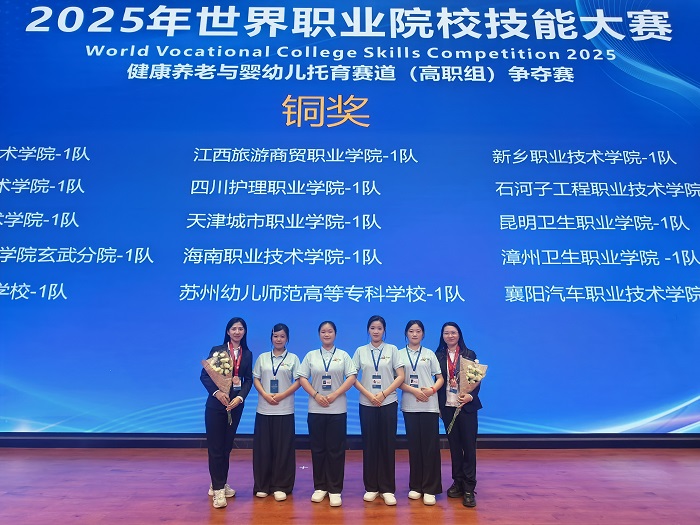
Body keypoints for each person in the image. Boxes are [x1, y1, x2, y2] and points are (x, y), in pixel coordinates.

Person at [297, 321, 357, 508]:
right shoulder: (311, 355)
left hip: (337, 408)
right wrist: (316, 395)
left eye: (330, 331)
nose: (327, 334)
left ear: (335, 334)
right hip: (315, 408)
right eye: (323, 331)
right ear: (319, 335)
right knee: (318, 448)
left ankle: (335, 489)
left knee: (336, 450)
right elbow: (302, 378)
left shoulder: (343, 355)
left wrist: (334, 394)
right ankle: (320, 487)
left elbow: (352, 377)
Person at [200, 317, 254, 509]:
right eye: (234, 328)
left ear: (244, 332)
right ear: (228, 331)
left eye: (240, 329)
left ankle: (219, 482)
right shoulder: (218, 351)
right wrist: (217, 393)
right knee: (216, 448)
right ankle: (218, 491)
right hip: (216, 406)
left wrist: (240, 398)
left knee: (226, 447)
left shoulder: (247, 354)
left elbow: (248, 380)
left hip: (235, 406)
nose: (237, 332)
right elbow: (205, 375)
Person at [352, 315, 405, 506]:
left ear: (384, 330)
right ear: (368, 330)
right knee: (370, 444)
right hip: (367, 403)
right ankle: (371, 487)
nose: (376, 331)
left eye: (379, 328)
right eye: (373, 328)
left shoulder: (392, 350)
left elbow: (400, 376)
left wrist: (383, 394)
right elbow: (352, 376)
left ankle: (387, 488)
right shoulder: (360, 351)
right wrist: (369, 394)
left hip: (388, 402)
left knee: (387, 444)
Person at [435, 321, 482, 508]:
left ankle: (469, 487)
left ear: (459, 334)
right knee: (454, 447)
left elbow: (476, 380)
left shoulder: (470, 354)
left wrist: (470, 396)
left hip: (466, 407)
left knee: (468, 448)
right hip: (448, 407)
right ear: (442, 336)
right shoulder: (438, 356)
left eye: (453, 332)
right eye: (446, 333)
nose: (450, 336)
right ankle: (458, 482)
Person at [252, 323, 301, 501]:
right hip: (264, 409)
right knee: (263, 449)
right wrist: (265, 394)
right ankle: (262, 485)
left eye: (282, 336)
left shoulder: (293, 358)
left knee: (283, 449)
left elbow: (299, 381)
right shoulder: (263, 358)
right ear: (271, 338)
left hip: (284, 409)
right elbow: (256, 379)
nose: (278, 339)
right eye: (275, 336)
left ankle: (281, 486)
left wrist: (282, 395)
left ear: (287, 338)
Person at [398, 320, 444, 506]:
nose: (415, 334)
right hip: (410, 405)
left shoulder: (429, 354)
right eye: (411, 331)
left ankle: (430, 488)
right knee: (415, 447)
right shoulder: (399, 354)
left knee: (430, 447)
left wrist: (432, 390)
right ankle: (416, 486)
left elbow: (439, 378)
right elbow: (397, 381)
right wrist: (414, 391)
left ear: (423, 334)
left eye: (418, 331)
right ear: (406, 334)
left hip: (429, 405)